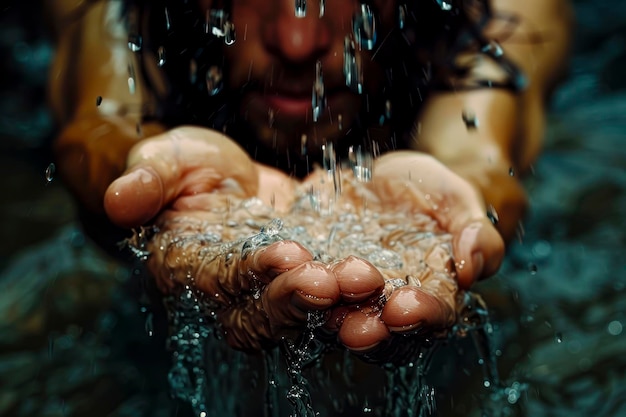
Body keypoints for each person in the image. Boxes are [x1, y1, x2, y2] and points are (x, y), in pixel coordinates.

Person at [45, 0, 572, 372]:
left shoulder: (507, 12)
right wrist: (153, 186)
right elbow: (99, 131)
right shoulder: (122, 9)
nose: (298, 40)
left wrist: (456, 206)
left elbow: (476, 153)